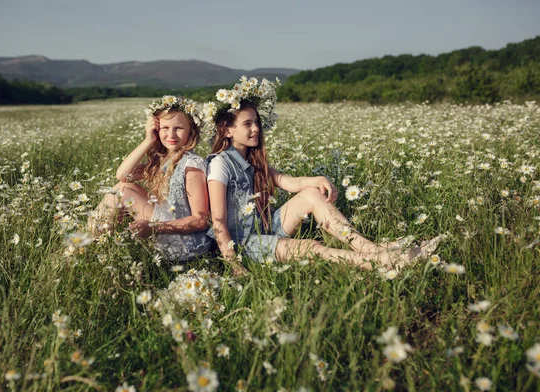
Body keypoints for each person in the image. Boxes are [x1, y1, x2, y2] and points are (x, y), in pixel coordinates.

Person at [204, 77, 440, 275]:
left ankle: (372, 248)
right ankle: (385, 261)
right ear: (227, 130)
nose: (256, 128)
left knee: (311, 193)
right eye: (247, 123)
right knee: (311, 247)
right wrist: (234, 264)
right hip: (242, 245)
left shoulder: (251, 158)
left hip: (262, 229)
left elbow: (286, 181)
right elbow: (218, 222)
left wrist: (316, 181)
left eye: (257, 122)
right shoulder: (220, 164)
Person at [88, 96, 212, 262]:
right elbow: (123, 176)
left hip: (184, 245)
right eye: (165, 128)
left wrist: (153, 227)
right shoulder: (164, 159)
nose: (171, 134)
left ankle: (88, 248)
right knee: (122, 186)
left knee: (122, 191)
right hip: (168, 228)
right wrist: (148, 140)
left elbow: (200, 220)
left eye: (179, 128)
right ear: (157, 129)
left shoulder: (192, 165)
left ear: (191, 130)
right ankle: (92, 246)